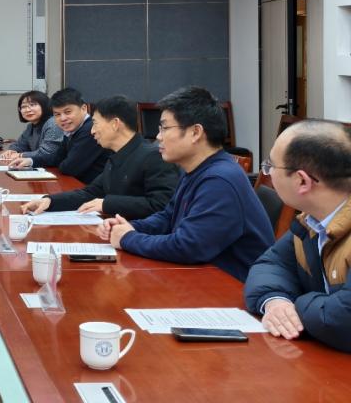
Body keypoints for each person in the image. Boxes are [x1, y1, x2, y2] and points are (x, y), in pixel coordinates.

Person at [98, 86, 274, 281]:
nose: (158, 137)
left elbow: (188, 246)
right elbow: (168, 217)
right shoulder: (196, 170)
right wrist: (131, 227)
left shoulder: (219, 180)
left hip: (232, 287)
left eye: (165, 128)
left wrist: (128, 238)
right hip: (202, 277)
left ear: (195, 132)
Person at [244, 120, 351, 352]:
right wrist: (276, 301)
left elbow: (343, 319)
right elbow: (271, 264)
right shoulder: (311, 221)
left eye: (271, 165)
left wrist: (298, 303)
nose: (268, 173)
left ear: (302, 181)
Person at [21, 95, 178, 220]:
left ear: (115, 124)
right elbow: (90, 193)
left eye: (95, 123)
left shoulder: (154, 156)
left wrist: (107, 204)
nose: (92, 131)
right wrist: (50, 201)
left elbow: (161, 205)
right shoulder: (117, 155)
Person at [10, 87, 109, 184]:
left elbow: (69, 168)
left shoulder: (90, 130)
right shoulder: (72, 129)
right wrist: (31, 161)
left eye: (68, 112)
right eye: (57, 114)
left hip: (92, 188)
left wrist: (61, 163)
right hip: (78, 184)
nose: (63, 118)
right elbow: (56, 158)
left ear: (84, 108)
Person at [0, 90, 63, 166]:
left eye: (32, 105)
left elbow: (47, 153)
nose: (27, 110)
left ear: (44, 106)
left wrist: (20, 155)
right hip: (42, 167)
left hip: (57, 169)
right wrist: (11, 150)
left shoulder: (53, 123)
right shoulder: (31, 126)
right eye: (23, 107)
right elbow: (20, 144)